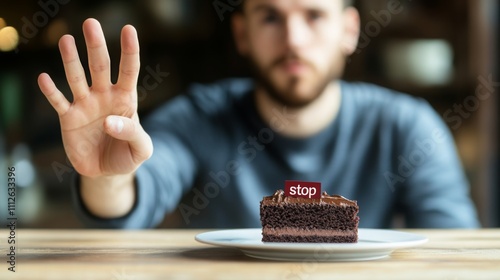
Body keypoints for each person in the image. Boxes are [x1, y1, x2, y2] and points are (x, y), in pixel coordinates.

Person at [38, 0, 480, 229]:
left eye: (313, 15)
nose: (293, 40)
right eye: (270, 17)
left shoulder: (408, 127)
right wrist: (107, 175)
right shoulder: (199, 117)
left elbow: (454, 251)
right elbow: (132, 204)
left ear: (349, 30)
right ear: (242, 33)